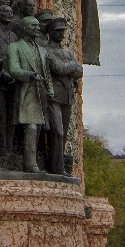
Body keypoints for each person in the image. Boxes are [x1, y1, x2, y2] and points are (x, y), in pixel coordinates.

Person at [7, 17, 54, 173]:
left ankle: (32, 161)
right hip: (25, 91)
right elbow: (14, 69)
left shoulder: (42, 50)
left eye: (38, 26)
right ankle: (30, 165)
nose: (37, 29)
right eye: (34, 26)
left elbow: (47, 73)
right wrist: (29, 75)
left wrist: (50, 89)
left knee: (38, 129)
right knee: (31, 128)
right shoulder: (15, 47)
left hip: (41, 94)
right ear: (25, 29)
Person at [45, 17, 83, 176]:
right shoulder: (46, 50)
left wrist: (71, 68)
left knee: (64, 132)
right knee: (57, 132)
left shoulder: (66, 52)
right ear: (50, 33)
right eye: (57, 31)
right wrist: (72, 67)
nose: (61, 34)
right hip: (53, 96)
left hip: (66, 95)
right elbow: (59, 68)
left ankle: (58, 167)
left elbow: (79, 72)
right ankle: (55, 167)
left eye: (63, 31)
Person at [0, 4, 18, 156]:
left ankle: (10, 148)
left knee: (11, 116)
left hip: (13, 81)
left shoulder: (13, 36)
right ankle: (1, 148)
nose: (9, 14)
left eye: (11, 12)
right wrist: (2, 72)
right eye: (6, 12)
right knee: (0, 115)